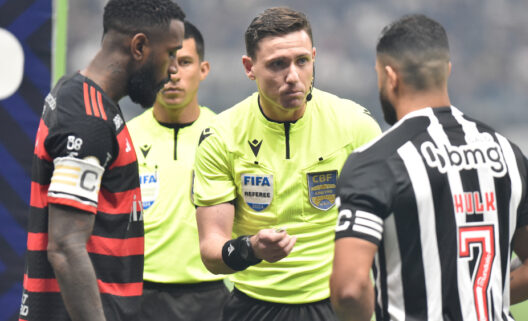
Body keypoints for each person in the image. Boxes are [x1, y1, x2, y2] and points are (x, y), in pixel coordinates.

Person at [329, 14, 528, 321]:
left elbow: (349, 289)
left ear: (390, 76)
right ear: (447, 71)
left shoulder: (375, 163)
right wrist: (476, 298)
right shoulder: (506, 152)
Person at [192, 6, 382, 321]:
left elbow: (388, 227)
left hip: (338, 305)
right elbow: (212, 250)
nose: (293, 76)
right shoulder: (221, 137)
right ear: (249, 67)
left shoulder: (356, 126)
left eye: (302, 61)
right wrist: (251, 248)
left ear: (314, 58)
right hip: (254, 305)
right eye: (278, 64)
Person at [19, 0, 185, 320]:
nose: (174, 69)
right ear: (139, 46)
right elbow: (66, 247)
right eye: (171, 53)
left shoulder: (78, 94)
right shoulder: (88, 119)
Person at [127, 20, 230, 321]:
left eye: (185, 62)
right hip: (139, 296)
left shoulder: (227, 136)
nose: (173, 74)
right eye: (165, 62)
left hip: (211, 294)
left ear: (204, 69)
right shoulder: (124, 138)